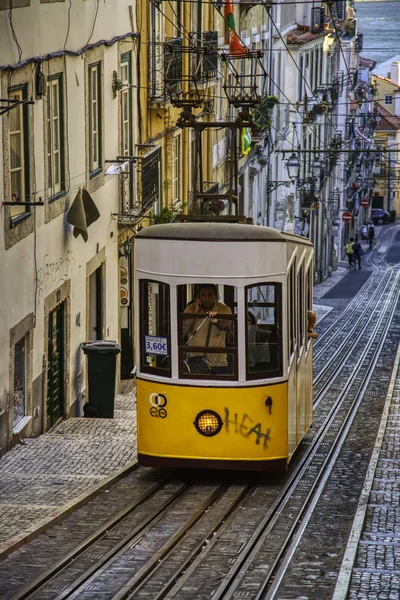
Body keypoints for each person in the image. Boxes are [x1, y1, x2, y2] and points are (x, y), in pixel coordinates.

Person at [183, 284, 232, 374]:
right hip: (195, 361)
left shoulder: (224, 309)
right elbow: (183, 331)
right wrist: (195, 312)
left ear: (215, 296)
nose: (206, 298)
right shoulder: (190, 309)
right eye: (204, 295)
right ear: (199, 296)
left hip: (218, 362)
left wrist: (216, 321)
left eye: (210, 295)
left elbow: (227, 327)